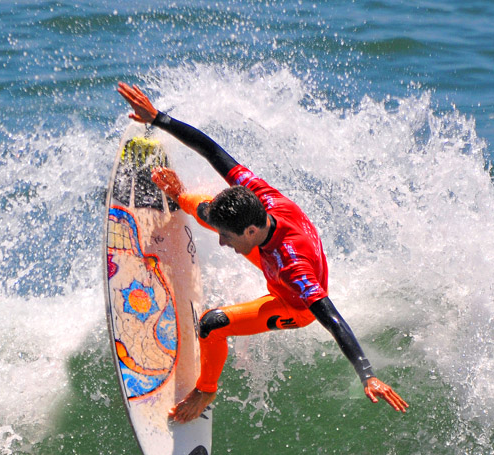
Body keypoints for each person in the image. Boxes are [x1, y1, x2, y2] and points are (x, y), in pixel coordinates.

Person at [116, 82, 409, 423]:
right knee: (209, 211)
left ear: (251, 231)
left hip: (290, 304)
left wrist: (367, 374)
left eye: (228, 238)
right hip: (268, 249)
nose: (223, 244)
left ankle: (207, 389)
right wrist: (159, 119)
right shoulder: (257, 197)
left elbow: (332, 319)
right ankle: (179, 195)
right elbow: (213, 151)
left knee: (211, 324)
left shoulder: (293, 268)